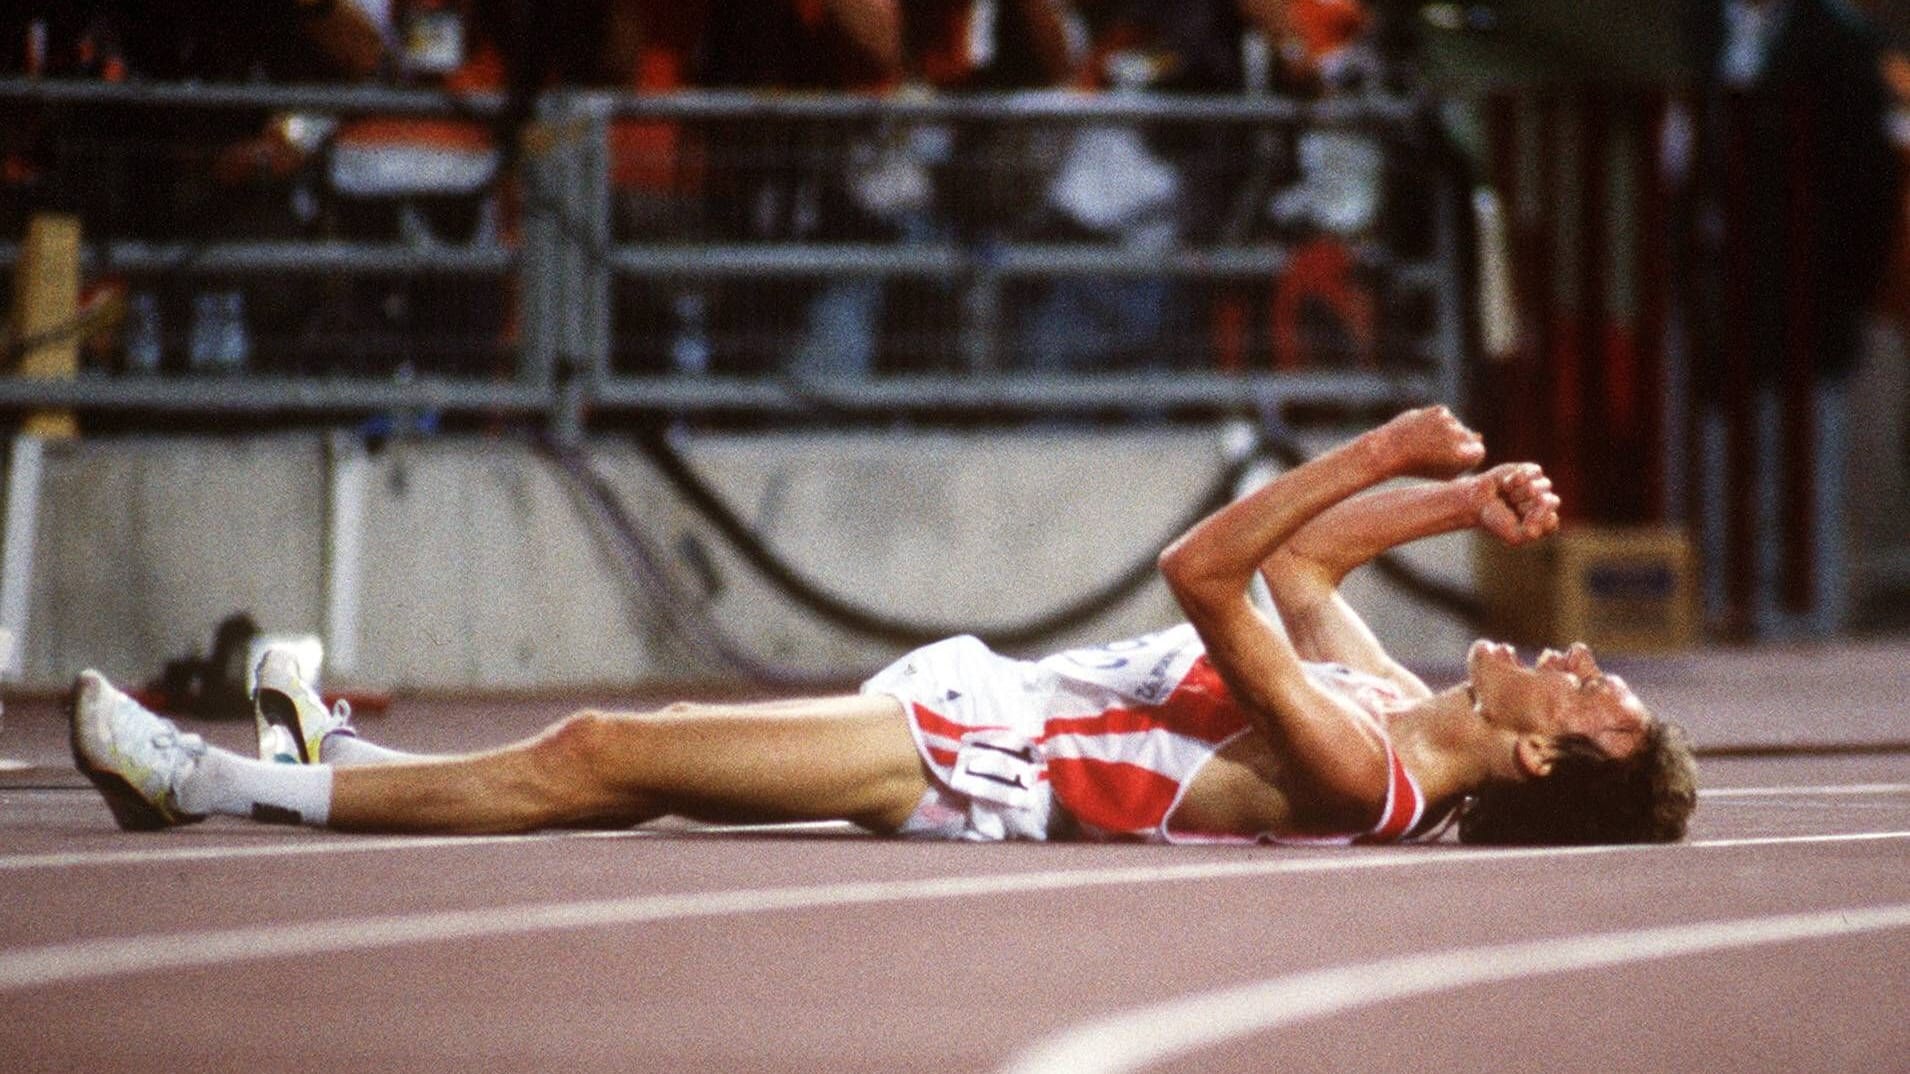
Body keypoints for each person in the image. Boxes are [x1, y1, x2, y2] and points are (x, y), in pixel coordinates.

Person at [71, 407, 1697, 846]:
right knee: (622, 774)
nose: (1573, 651)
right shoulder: (1396, 696)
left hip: (968, 762)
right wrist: (1448, 502)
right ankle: (341, 763)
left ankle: (213, 785)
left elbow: (1209, 569)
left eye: (1591, 686)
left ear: (1548, 755)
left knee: (603, 752)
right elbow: (1301, 572)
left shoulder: (1364, 767)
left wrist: (1387, 448)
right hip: (990, 701)